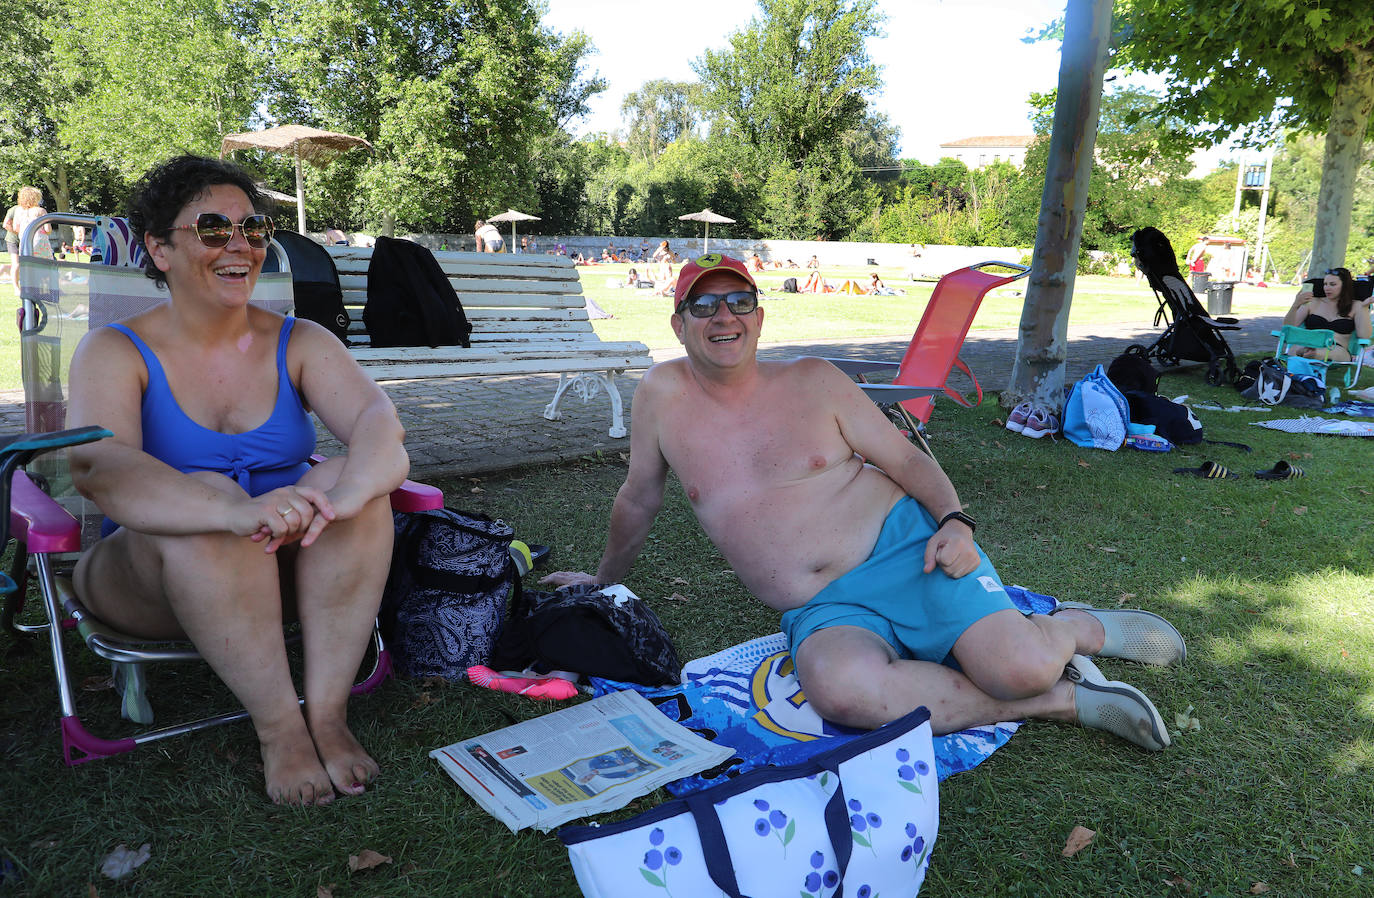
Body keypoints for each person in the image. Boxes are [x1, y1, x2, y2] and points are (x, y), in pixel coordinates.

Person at [542, 253, 1184, 752]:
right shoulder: (660, 396)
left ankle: (1073, 629)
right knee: (842, 694)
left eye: (739, 301)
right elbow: (638, 498)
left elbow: (906, 459)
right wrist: (603, 583)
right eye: (704, 306)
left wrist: (955, 522)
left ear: (760, 316)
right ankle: (1061, 703)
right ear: (678, 323)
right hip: (824, 608)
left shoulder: (815, 381)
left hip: (910, 555)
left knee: (1019, 666)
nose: (724, 317)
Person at [65, 155, 410, 806]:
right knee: (213, 502)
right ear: (160, 249)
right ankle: (281, 730)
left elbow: (378, 426)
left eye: (254, 229)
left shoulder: (301, 340)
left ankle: (327, 714)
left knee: (351, 482)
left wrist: (343, 496)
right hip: (148, 577)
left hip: (281, 570)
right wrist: (229, 512)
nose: (241, 246)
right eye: (214, 229)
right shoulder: (113, 351)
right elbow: (99, 469)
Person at [1284, 266, 1372, 362]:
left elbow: (1364, 336)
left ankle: (1312, 354)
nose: (1327, 288)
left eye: (1332, 284)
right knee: (1299, 349)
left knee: (1316, 353)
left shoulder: (1357, 305)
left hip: (1336, 348)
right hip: (1307, 343)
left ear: (1345, 286)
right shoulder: (1312, 302)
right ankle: (1309, 353)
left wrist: (1364, 308)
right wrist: (1295, 305)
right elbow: (1288, 328)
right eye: (1325, 284)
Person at [4, 186, 51, 288]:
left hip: (25, 242)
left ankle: (29, 291)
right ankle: (47, 290)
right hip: (39, 242)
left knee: (28, 268)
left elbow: (16, 228)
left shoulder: (18, 211)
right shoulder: (41, 211)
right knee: (47, 266)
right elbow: (48, 230)